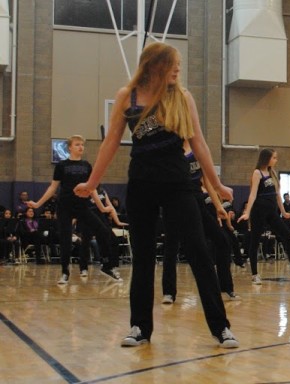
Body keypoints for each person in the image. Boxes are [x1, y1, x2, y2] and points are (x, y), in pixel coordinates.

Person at [74, 42, 238, 348]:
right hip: (141, 185)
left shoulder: (182, 97)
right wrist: (92, 182)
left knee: (200, 252)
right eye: (173, 64)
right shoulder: (128, 96)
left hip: (178, 184)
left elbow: (199, 143)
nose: (178, 69)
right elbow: (111, 143)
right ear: (154, 65)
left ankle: (221, 327)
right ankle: (139, 327)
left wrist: (216, 184)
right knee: (144, 256)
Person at [28, 135, 122, 283]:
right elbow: (53, 188)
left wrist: (102, 207)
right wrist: (38, 204)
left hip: (83, 207)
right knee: (65, 240)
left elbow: (92, 189)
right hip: (65, 207)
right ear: (70, 147)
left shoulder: (86, 166)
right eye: (77, 144)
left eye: (82, 145)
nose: (81, 147)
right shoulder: (61, 166)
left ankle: (106, 265)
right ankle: (65, 272)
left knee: (104, 232)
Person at [161, 141, 240, 304]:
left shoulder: (198, 148)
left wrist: (218, 206)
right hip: (174, 200)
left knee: (223, 241)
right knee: (171, 246)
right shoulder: (169, 148)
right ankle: (169, 292)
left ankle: (225, 287)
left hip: (197, 200)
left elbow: (206, 181)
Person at [237, 149, 290, 285]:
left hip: (272, 212)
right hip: (258, 211)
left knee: (288, 236)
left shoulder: (273, 173)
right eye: (274, 158)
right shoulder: (257, 173)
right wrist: (247, 212)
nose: (276, 160)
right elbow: (252, 194)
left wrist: (283, 212)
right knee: (255, 240)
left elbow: (277, 194)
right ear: (266, 158)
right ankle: (254, 274)